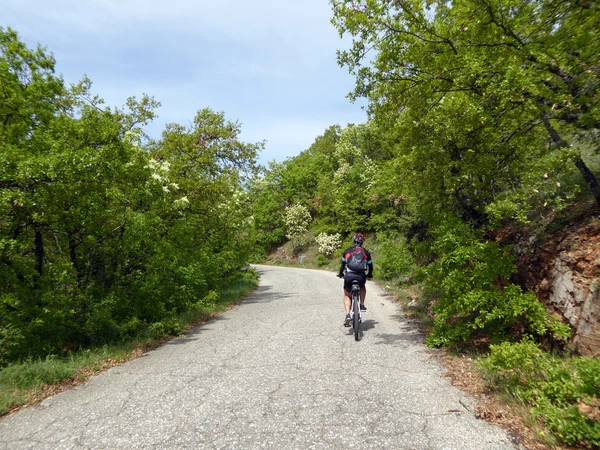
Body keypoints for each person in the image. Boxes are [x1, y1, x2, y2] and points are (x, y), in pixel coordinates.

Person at [337, 233, 373, 327]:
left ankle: (348, 314)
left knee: (347, 294)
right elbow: (370, 266)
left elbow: (342, 265)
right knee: (362, 287)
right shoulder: (366, 252)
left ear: (354, 241)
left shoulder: (347, 251)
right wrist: (369, 274)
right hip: (361, 276)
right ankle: (361, 304)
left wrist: (341, 273)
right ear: (362, 242)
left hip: (349, 276)